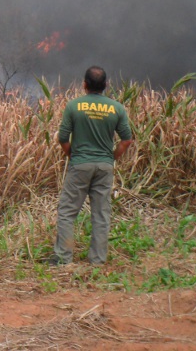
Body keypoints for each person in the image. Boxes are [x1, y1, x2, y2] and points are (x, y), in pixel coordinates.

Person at [50, 66, 133, 266]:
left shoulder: (73, 106)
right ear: (105, 85)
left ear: (84, 84)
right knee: (101, 214)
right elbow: (126, 140)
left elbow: (62, 138)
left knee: (68, 213)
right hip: (104, 167)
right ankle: (97, 260)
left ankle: (63, 259)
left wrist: (72, 155)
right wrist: (111, 158)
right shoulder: (117, 108)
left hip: (79, 165)